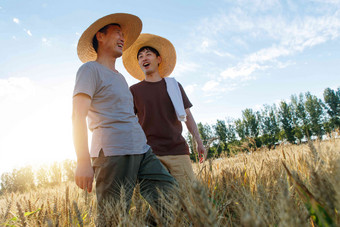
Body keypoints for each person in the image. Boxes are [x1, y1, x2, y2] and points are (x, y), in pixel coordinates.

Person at [72, 14, 175, 225]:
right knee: (113, 218)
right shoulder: (89, 70)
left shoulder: (120, 77)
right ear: (100, 36)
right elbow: (77, 115)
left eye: (123, 35)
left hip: (142, 149)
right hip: (113, 153)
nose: (122, 38)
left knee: (169, 193)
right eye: (118, 32)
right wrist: (83, 161)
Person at [122, 33, 207, 184]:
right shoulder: (134, 90)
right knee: (160, 203)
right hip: (150, 155)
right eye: (140, 56)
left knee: (188, 199)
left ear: (158, 59)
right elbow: (127, 123)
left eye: (148, 54)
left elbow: (188, 116)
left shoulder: (174, 86)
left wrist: (199, 141)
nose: (144, 58)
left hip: (178, 151)